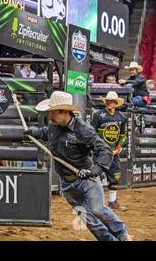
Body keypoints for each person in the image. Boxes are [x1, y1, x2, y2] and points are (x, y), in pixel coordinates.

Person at [24, 91, 131, 241]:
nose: (50, 115)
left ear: (65, 112)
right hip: (67, 183)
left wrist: (94, 171)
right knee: (90, 220)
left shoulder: (83, 129)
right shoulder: (54, 126)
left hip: (87, 179)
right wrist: (34, 132)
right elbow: (46, 132)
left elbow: (104, 150)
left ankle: (122, 234)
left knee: (98, 210)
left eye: (53, 112)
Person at [91, 91, 128, 211]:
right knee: (99, 176)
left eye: (111, 101)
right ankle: (99, 203)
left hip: (114, 152)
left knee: (115, 177)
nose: (109, 103)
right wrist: (98, 148)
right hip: (101, 152)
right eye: (107, 100)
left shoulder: (121, 117)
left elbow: (123, 135)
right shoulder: (98, 115)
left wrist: (118, 149)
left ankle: (112, 202)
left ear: (116, 103)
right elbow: (92, 133)